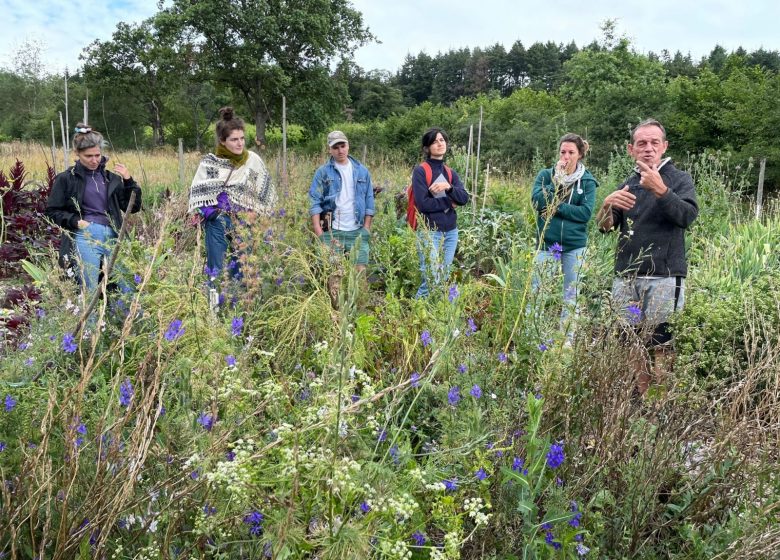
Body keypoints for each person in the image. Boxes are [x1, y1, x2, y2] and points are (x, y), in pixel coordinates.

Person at [596, 118, 698, 394]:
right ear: (631, 149)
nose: (648, 148)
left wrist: (660, 189)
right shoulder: (628, 183)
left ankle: (660, 404)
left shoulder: (679, 179)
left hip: (664, 277)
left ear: (664, 147)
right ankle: (642, 399)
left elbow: (687, 217)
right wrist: (606, 205)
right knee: (630, 341)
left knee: (662, 343)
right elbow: (606, 227)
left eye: (655, 143)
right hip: (627, 276)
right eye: (642, 143)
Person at [46, 124, 142, 295]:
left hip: (113, 234)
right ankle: (90, 322)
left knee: (127, 284)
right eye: (88, 156)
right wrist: (77, 222)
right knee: (88, 288)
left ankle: (133, 321)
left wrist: (128, 181)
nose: (94, 160)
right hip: (85, 235)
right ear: (77, 154)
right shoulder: (66, 179)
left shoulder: (111, 179)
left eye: (97, 155)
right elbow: (52, 211)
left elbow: (132, 207)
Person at [188, 107, 276, 284]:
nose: (240, 143)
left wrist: (256, 214)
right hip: (219, 223)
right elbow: (199, 193)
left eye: (242, 138)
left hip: (245, 222)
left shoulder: (252, 161)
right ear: (222, 141)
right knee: (216, 272)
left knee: (243, 272)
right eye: (234, 139)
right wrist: (211, 214)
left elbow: (265, 191)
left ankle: (240, 310)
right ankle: (214, 308)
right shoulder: (211, 163)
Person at [530, 133, 598, 340]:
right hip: (547, 243)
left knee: (571, 294)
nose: (566, 157)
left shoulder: (587, 181)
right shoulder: (545, 175)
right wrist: (555, 182)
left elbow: (585, 214)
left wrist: (556, 206)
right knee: (537, 292)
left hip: (574, 245)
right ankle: (532, 337)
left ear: (579, 155)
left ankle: (565, 341)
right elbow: (537, 202)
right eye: (563, 152)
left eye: (571, 152)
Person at [412, 127, 469, 298]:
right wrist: (450, 202)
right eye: (435, 141)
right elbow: (423, 204)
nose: (439, 143)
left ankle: (435, 318)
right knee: (431, 278)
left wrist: (449, 187)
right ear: (427, 148)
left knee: (443, 276)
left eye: (442, 140)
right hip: (430, 232)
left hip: (451, 231)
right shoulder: (421, 171)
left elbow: (464, 198)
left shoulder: (450, 173)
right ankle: (416, 316)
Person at [309, 130, 375, 272]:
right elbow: (315, 201)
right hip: (331, 232)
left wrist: (366, 228)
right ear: (330, 150)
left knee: (359, 275)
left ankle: (358, 296)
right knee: (334, 275)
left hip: (357, 230)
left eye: (342, 146)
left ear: (348, 146)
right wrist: (319, 232)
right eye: (335, 147)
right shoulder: (323, 172)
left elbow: (369, 199)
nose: (340, 150)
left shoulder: (362, 171)